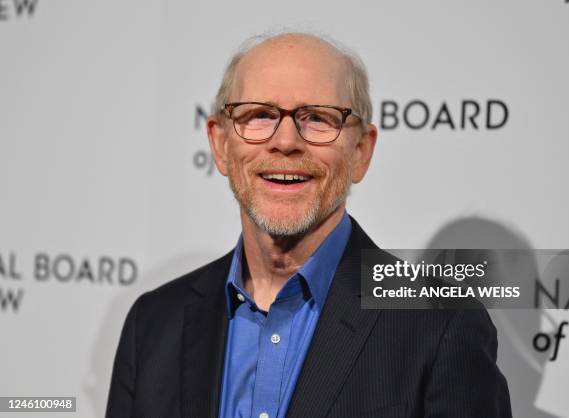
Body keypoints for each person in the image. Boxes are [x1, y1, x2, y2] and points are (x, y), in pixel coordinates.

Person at [106, 31, 512, 418]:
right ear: (220, 145)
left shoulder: (441, 326)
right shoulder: (154, 324)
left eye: (317, 117)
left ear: (361, 152)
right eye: (259, 115)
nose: (285, 141)